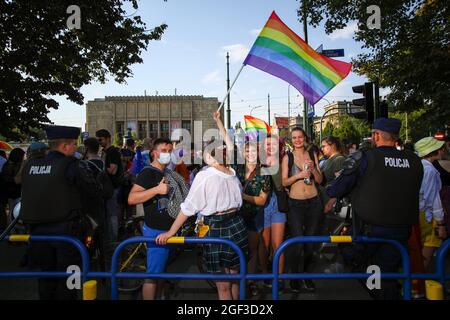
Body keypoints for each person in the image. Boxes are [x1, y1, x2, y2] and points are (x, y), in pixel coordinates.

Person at [325, 118, 423, 300]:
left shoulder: (366, 157)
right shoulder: (414, 160)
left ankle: (381, 291)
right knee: (387, 272)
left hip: (370, 231)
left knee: (354, 258)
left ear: (376, 135)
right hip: (401, 230)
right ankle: (388, 292)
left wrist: (331, 192)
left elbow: (340, 186)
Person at [156, 141, 247, 300]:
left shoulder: (206, 175)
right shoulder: (232, 173)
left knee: (224, 286)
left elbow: (188, 207)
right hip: (237, 224)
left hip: (218, 227)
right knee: (234, 280)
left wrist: (171, 231)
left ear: (207, 156)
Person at [20, 125, 97, 299]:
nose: (76, 147)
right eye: (73, 144)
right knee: (71, 280)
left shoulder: (31, 165)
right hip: (68, 234)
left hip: (38, 234)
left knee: (46, 279)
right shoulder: (71, 165)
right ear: (65, 146)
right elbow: (92, 190)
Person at [128, 138, 188, 300]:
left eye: (169, 151)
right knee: (152, 275)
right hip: (156, 232)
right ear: (154, 153)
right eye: (163, 151)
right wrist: (156, 189)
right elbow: (132, 198)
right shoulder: (148, 173)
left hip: (169, 231)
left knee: (160, 272)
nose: (167, 154)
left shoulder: (165, 172)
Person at [282, 127, 323, 292]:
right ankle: (294, 277)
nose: (297, 140)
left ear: (304, 137)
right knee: (297, 242)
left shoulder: (312, 154)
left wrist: (313, 170)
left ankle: (306, 275)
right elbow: (284, 182)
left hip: (314, 203)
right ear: (292, 140)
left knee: (310, 243)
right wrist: (298, 176)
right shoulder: (288, 157)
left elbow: (320, 180)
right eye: (294, 137)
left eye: (300, 137)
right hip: (295, 205)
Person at [414, 137, 447, 269]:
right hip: (427, 216)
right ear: (434, 151)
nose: (443, 150)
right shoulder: (430, 171)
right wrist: (440, 223)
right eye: (440, 148)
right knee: (428, 247)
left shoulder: (418, 166)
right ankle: (417, 284)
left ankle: (412, 284)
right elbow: (433, 199)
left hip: (417, 213)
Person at [96, 129, 123, 243]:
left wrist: (97, 167)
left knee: (112, 214)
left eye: (101, 139)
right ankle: (110, 237)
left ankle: (113, 239)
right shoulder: (105, 151)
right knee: (109, 213)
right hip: (108, 187)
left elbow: (113, 170)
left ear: (108, 139)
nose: (99, 142)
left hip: (112, 187)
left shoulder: (112, 151)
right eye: (98, 140)